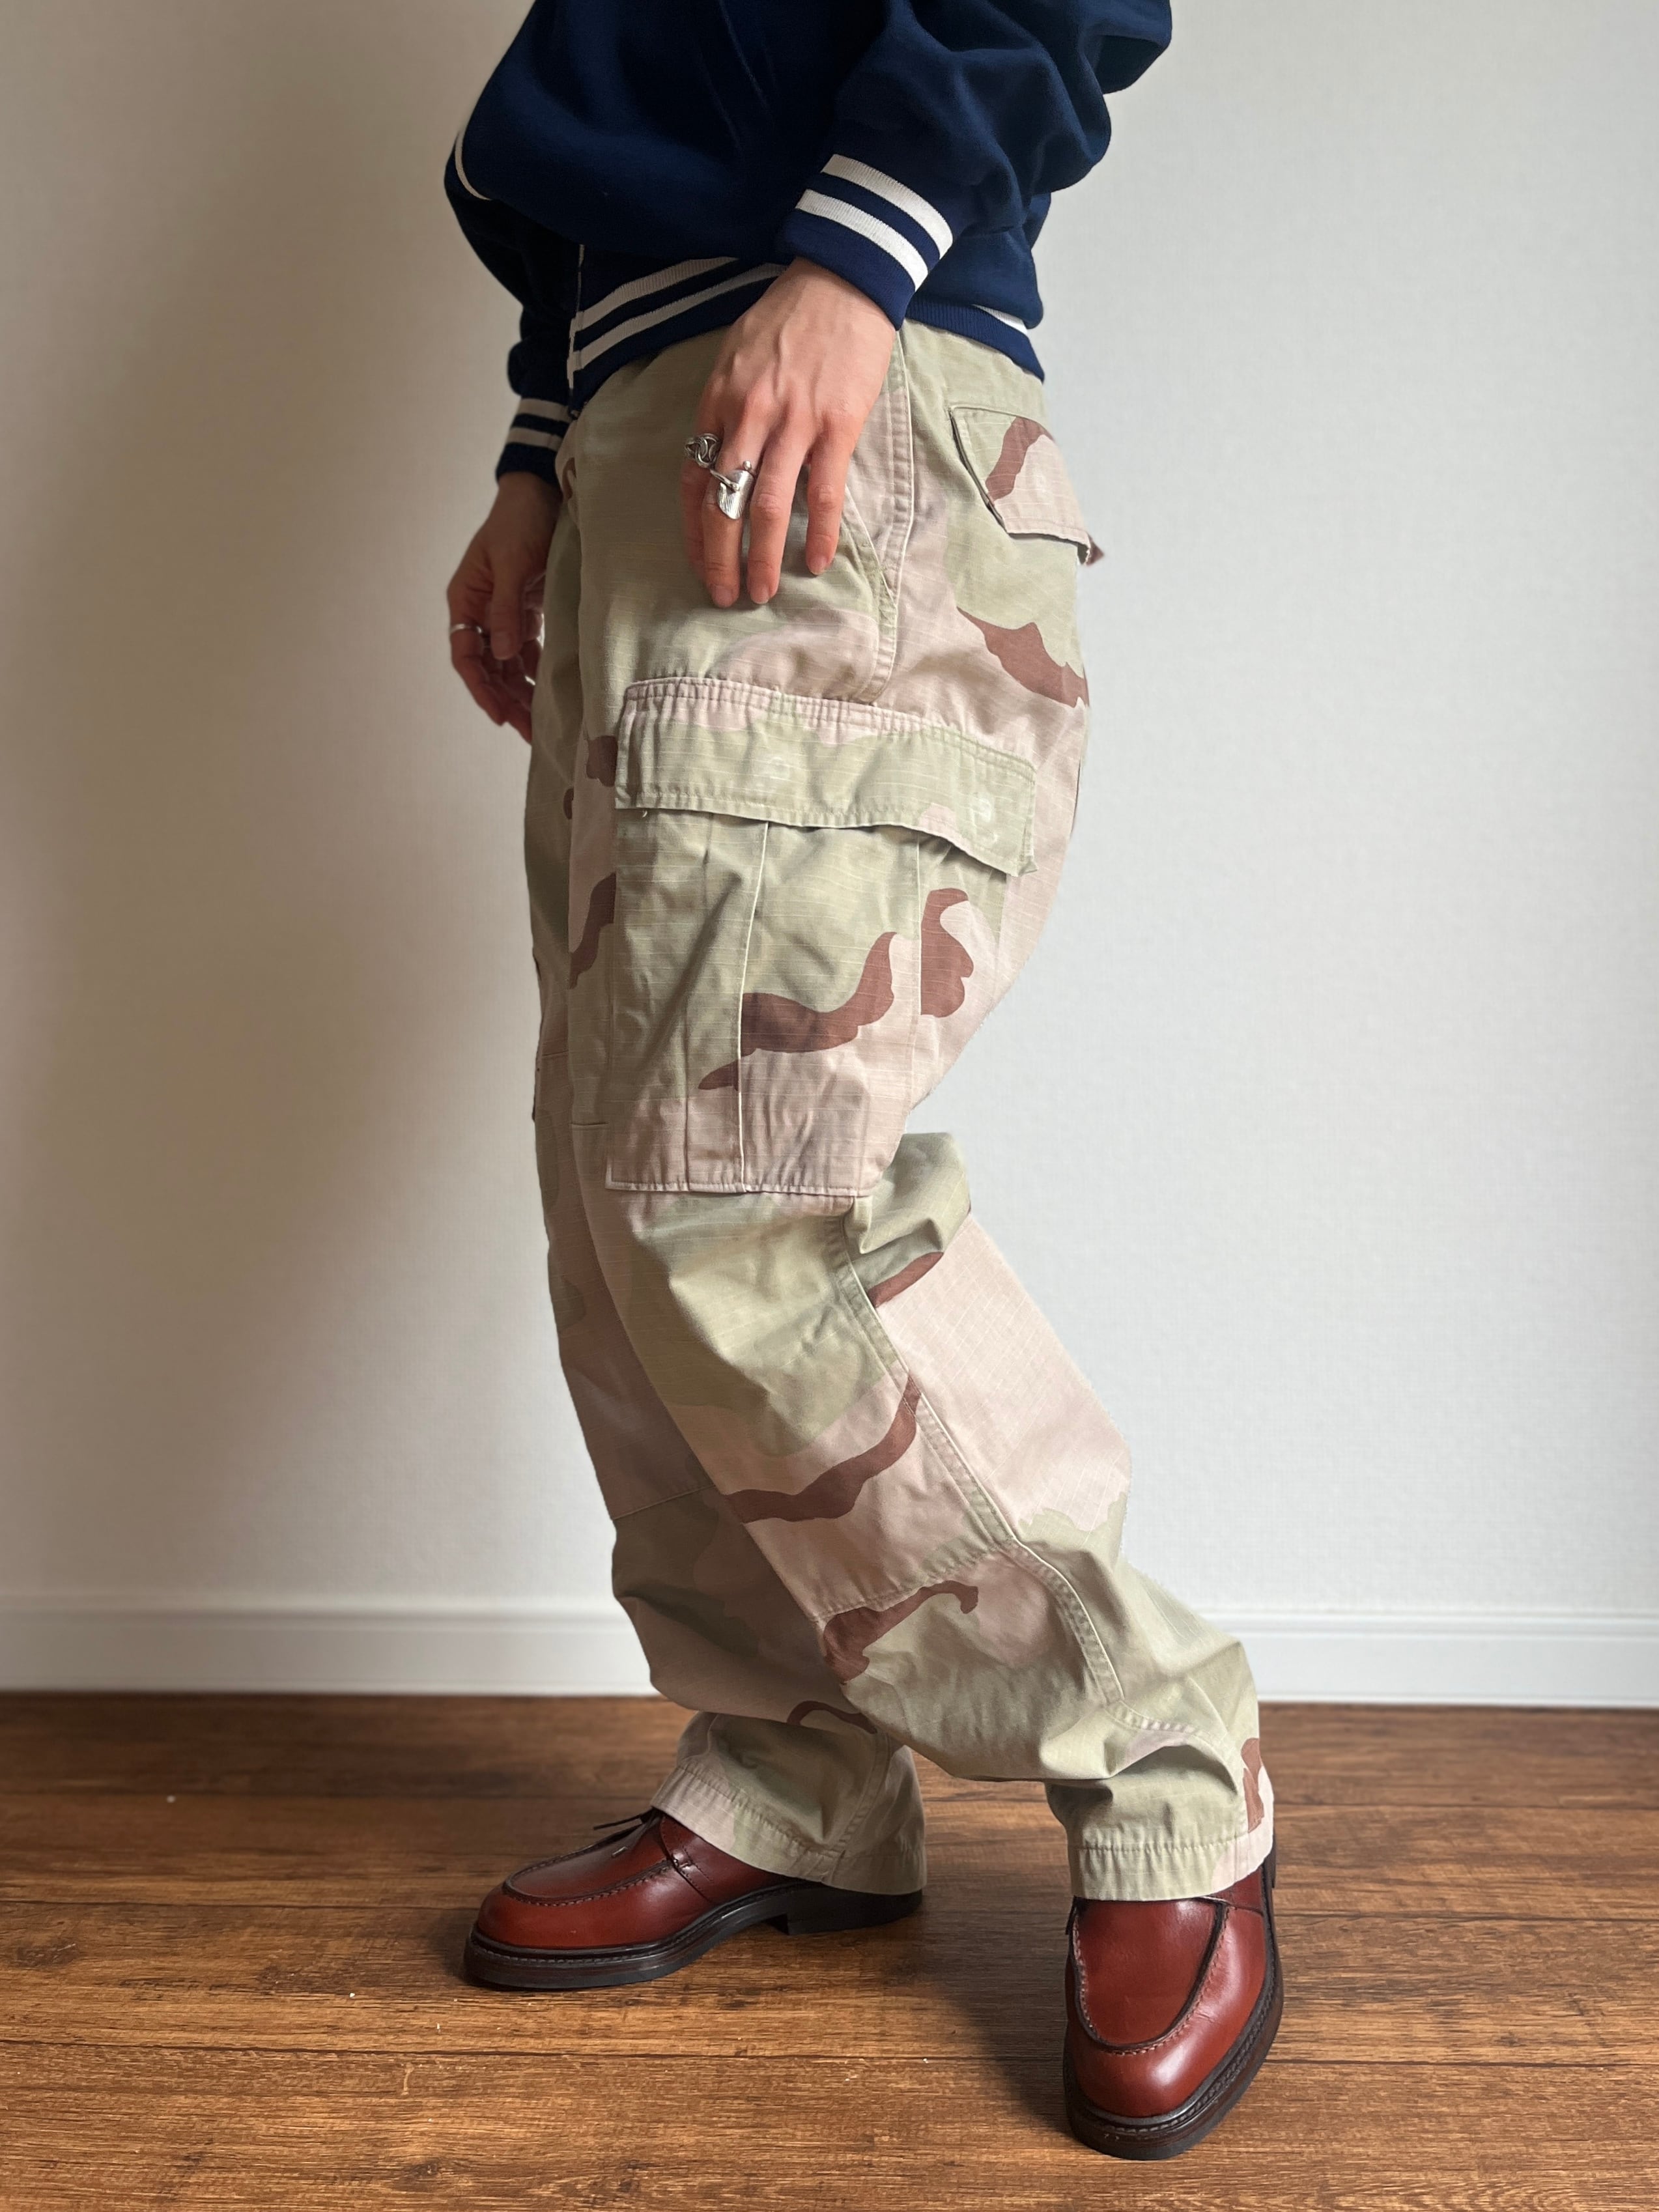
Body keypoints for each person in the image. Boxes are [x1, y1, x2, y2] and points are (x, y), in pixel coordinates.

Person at [442, 0, 1280, 2160]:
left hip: (833, 384)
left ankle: (1158, 1754)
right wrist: (542, 453)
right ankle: (796, 1770)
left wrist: (854, 252)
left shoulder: (844, 272)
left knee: (745, 1186)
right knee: (619, 1208)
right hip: (653, 434)